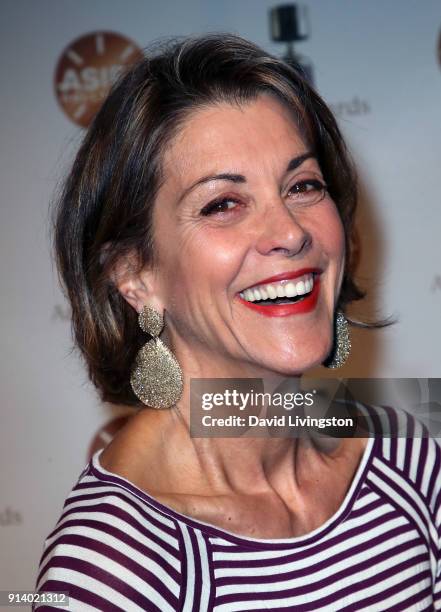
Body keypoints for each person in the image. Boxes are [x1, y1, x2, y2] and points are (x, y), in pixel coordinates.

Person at [34, 34, 441, 611]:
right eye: (223, 203)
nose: (290, 232)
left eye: (303, 186)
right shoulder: (114, 568)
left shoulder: (407, 461)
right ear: (136, 274)